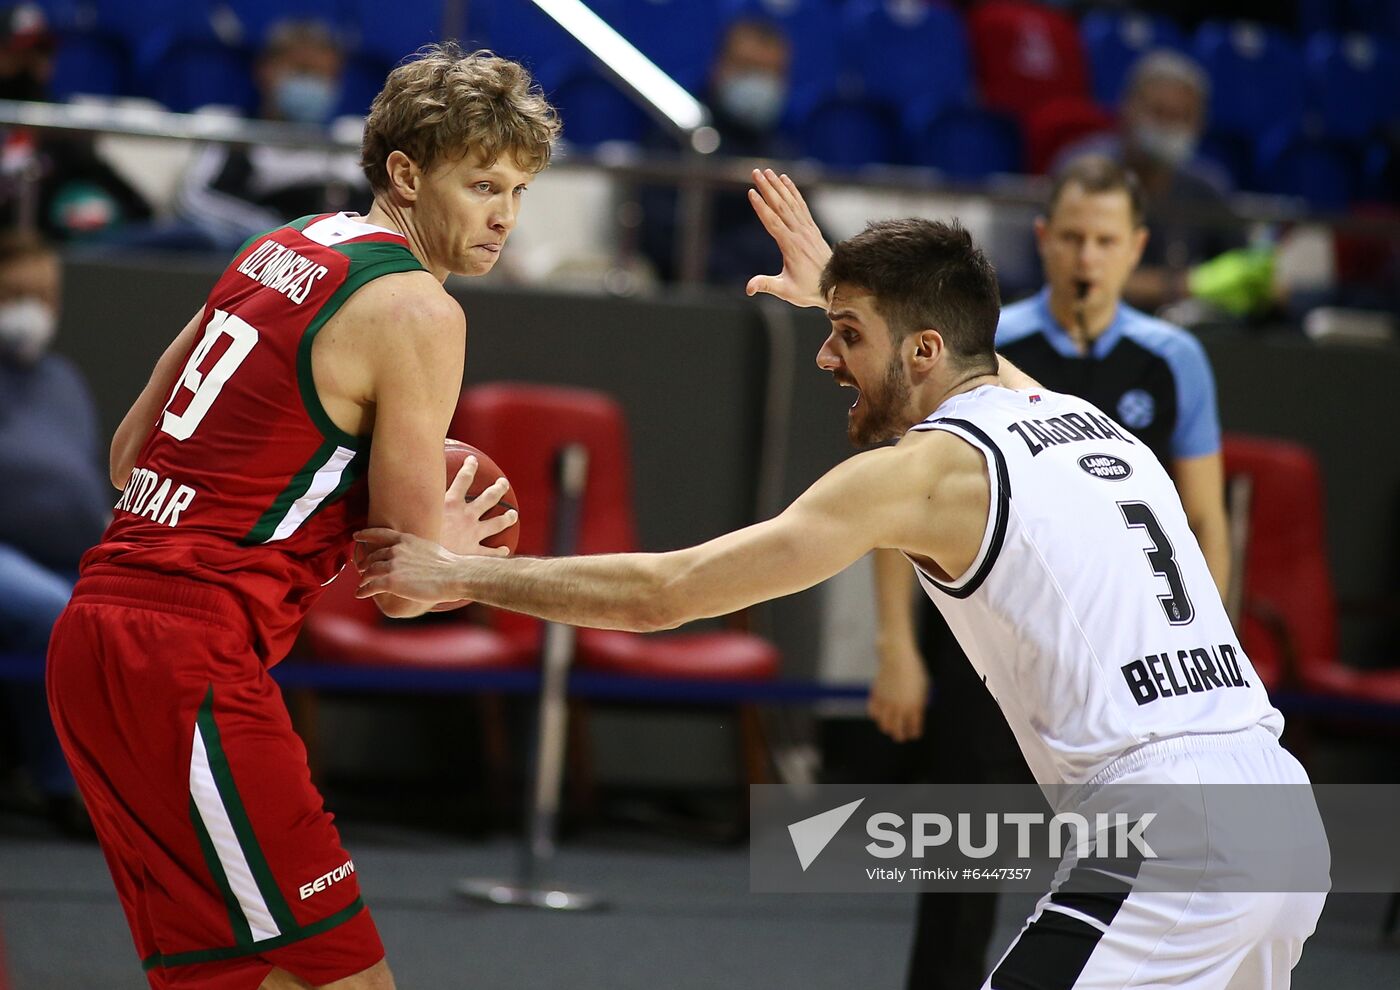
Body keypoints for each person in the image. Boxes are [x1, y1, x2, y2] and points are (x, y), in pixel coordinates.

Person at [356, 171, 1324, 989]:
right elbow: (982, 362)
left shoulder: (926, 472)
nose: (826, 356)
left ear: (922, 351)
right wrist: (840, 287)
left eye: (847, 334)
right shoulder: (1085, 421)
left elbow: (670, 591)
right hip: (1280, 808)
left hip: (1165, 827)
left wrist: (467, 574)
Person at [45, 45, 558, 990]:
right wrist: (449, 538)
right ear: (405, 172)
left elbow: (128, 459)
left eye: (520, 190)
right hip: (190, 661)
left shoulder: (280, 244)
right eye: (483, 183)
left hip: (88, 639)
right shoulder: (417, 310)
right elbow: (406, 584)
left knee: (230, 980)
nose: (504, 216)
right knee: (348, 980)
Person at [870, 154, 1233, 987]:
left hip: (1122, 668)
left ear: (1136, 247)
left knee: (1122, 873)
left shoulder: (1173, 360)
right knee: (963, 867)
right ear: (1043, 240)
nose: (1086, 256)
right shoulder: (991, 346)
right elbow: (894, 504)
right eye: (1071, 237)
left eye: (1105, 240)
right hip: (989, 647)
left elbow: (1204, 521)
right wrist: (897, 644)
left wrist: (1215, 644)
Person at [0, 230, 107, 833]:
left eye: (44, 295)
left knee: (139, 619)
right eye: (16, 293)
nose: (31, 309)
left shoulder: (62, 378)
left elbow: (83, 474)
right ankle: (63, 789)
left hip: (69, 554)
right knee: (56, 613)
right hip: (7, 555)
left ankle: (134, 793)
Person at [1054, 50, 1244, 312]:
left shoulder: (1207, 187)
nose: (1169, 127)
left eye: (1182, 117)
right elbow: (1075, 276)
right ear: (1127, 107)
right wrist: (1188, 285)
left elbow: (1239, 269)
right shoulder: (1084, 173)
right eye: (1160, 113)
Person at [172, 19, 370, 251]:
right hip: (246, 250)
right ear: (264, 70)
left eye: (324, 75)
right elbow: (194, 200)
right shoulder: (230, 130)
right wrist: (270, 230)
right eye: (302, 71)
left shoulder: (349, 141)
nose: (313, 85)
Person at [638, 16, 794, 286]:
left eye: (770, 73)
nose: (759, 83)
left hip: (769, 296)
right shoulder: (680, 138)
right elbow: (661, 235)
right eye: (748, 69)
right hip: (695, 295)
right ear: (719, 67)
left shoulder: (781, 148)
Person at [0, 3, 152, 241]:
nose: (33, 64)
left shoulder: (59, 130)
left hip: (42, 254)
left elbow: (136, 207)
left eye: (41, 52)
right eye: (19, 54)